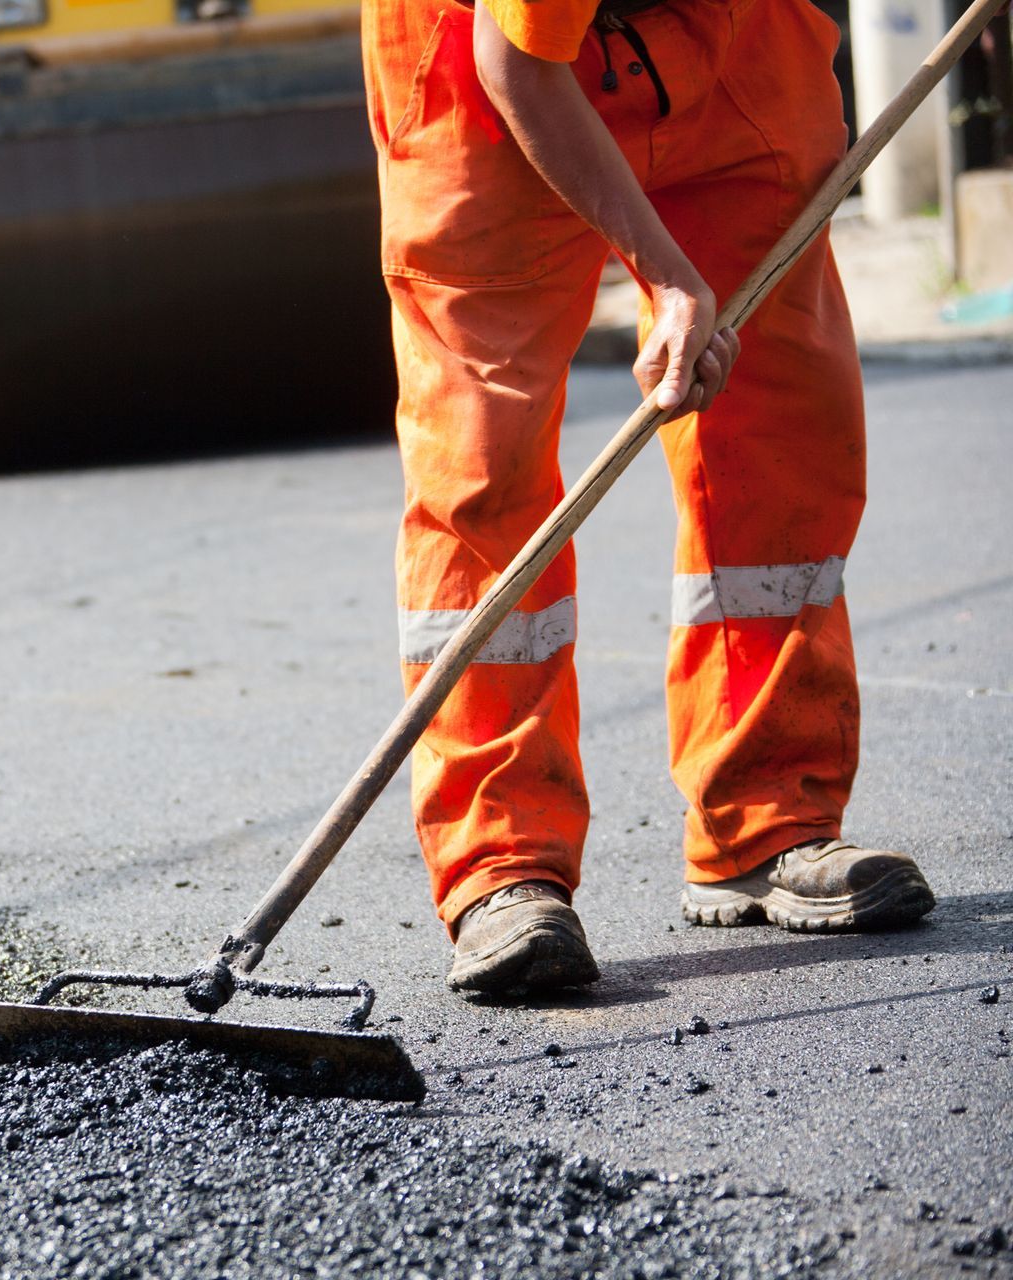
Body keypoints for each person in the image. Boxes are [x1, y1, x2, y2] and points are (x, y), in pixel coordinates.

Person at [363, 0, 934, 996]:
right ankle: (503, 863)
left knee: (782, 423)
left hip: (732, 40)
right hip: (481, 65)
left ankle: (767, 816)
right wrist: (666, 278)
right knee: (485, 461)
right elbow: (516, 61)